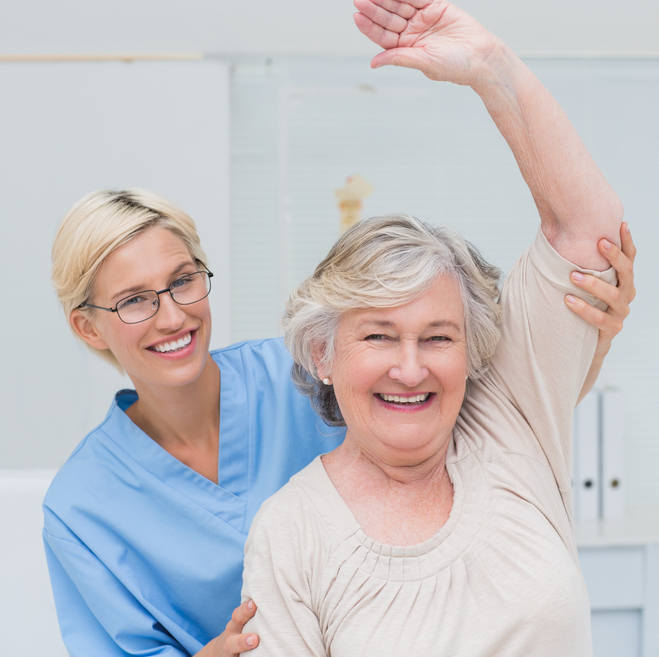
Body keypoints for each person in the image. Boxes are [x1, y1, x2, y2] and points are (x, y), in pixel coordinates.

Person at [42, 7, 634, 657]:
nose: (171, 314)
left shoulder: (307, 376)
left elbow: (575, 259)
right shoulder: (92, 506)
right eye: (133, 300)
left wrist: (491, 67)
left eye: (183, 280)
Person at [236, 1, 636, 655]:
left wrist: (490, 67)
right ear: (323, 353)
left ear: (471, 349)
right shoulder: (291, 530)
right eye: (377, 335)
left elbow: (587, 229)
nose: (410, 366)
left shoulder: (510, 419)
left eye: (438, 336)